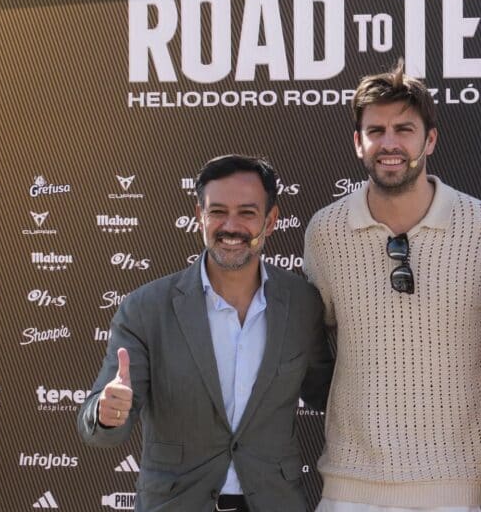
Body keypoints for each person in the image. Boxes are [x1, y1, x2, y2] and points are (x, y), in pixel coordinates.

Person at [303, 61, 481, 511]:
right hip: (350, 487)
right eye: (376, 130)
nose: (390, 143)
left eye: (404, 128)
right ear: (358, 142)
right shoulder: (325, 231)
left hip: (458, 490)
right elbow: (309, 346)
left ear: (430, 139)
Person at [78, 155, 334, 512]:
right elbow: (100, 426)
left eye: (247, 212)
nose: (231, 226)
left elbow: (332, 396)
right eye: (217, 212)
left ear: (271, 220)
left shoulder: (302, 304)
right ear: (199, 216)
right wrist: (107, 414)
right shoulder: (146, 308)